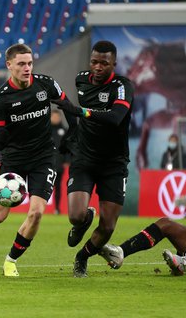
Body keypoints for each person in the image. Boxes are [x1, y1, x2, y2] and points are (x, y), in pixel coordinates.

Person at [0, 43, 74, 277]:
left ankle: (11, 260)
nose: (27, 68)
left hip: (44, 157)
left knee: (36, 213)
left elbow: (68, 107)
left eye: (30, 63)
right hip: (14, 160)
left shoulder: (46, 84)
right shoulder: (1, 100)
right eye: (21, 64)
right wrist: (6, 132)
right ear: (9, 65)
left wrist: (74, 135)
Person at [51, 40, 134, 278]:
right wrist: (72, 133)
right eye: (94, 62)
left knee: (107, 227)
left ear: (113, 64)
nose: (98, 67)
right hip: (85, 158)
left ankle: (82, 257)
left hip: (114, 164)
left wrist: (80, 111)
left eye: (104, 63)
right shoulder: (81, 80)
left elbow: (116, 117)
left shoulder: (122, 86)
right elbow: (78, 117)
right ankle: (85, 219)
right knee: (75, 216)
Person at [50, 108, 69, 214]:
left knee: (58, 186)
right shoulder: (46, 130)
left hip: (59, 164)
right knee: (43, 187)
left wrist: (67, 160)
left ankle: (57, 208)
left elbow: (68, 147)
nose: (56, 118)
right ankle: (39, 207)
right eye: (53, 116)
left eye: (57, 116)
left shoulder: (65, 130)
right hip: (46, 164)